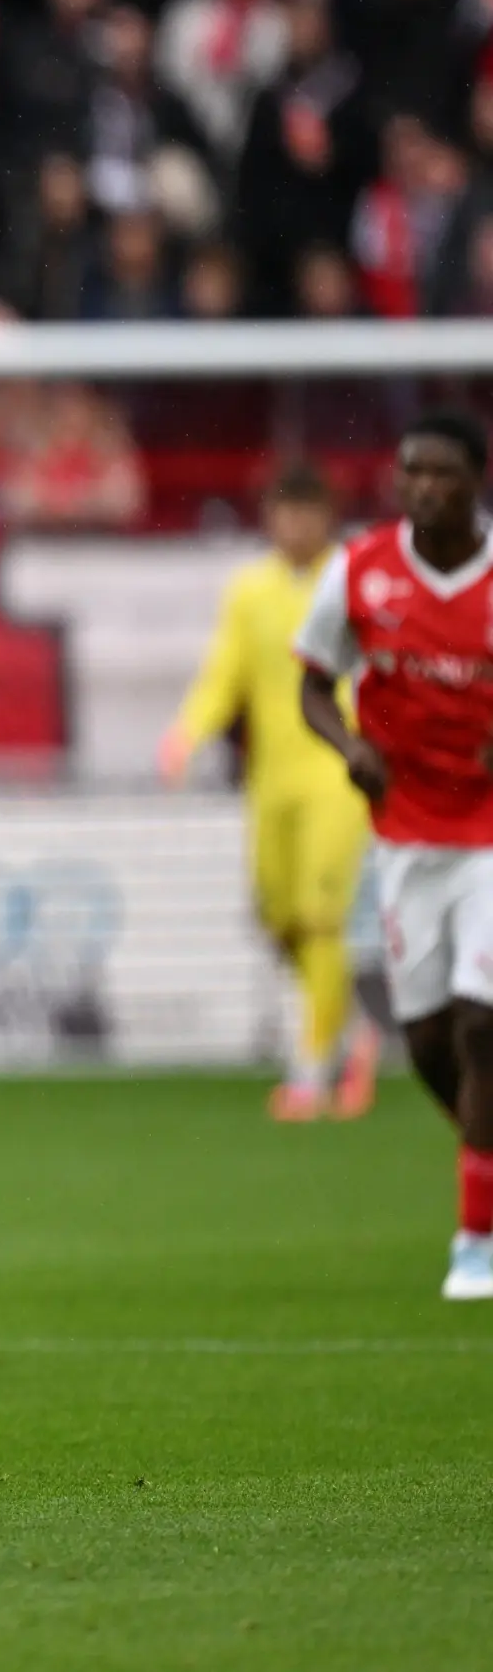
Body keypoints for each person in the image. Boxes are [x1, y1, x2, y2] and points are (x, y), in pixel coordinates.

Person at [297, 410, 493, 1301]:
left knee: (483, 1023)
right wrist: (350, 747)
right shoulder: (360, 570)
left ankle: (475, 1243)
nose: (422, 487)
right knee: (425, 1043)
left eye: (442, 474)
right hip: (407, 836)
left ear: (475, 483)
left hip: (489, 832)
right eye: (412, 470)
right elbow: (311, 683)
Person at [161, 464, 379, 1120]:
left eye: (307, 513)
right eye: (285, 513)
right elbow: (224, 671)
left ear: (328, 517)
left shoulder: (354, 581)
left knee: (319, 915)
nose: (295, 526)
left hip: (336, 774)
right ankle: (352, 1026)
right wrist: (187, 732)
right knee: (278, 918)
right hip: (272, 779)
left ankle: (311, 1070)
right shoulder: (250, 590)